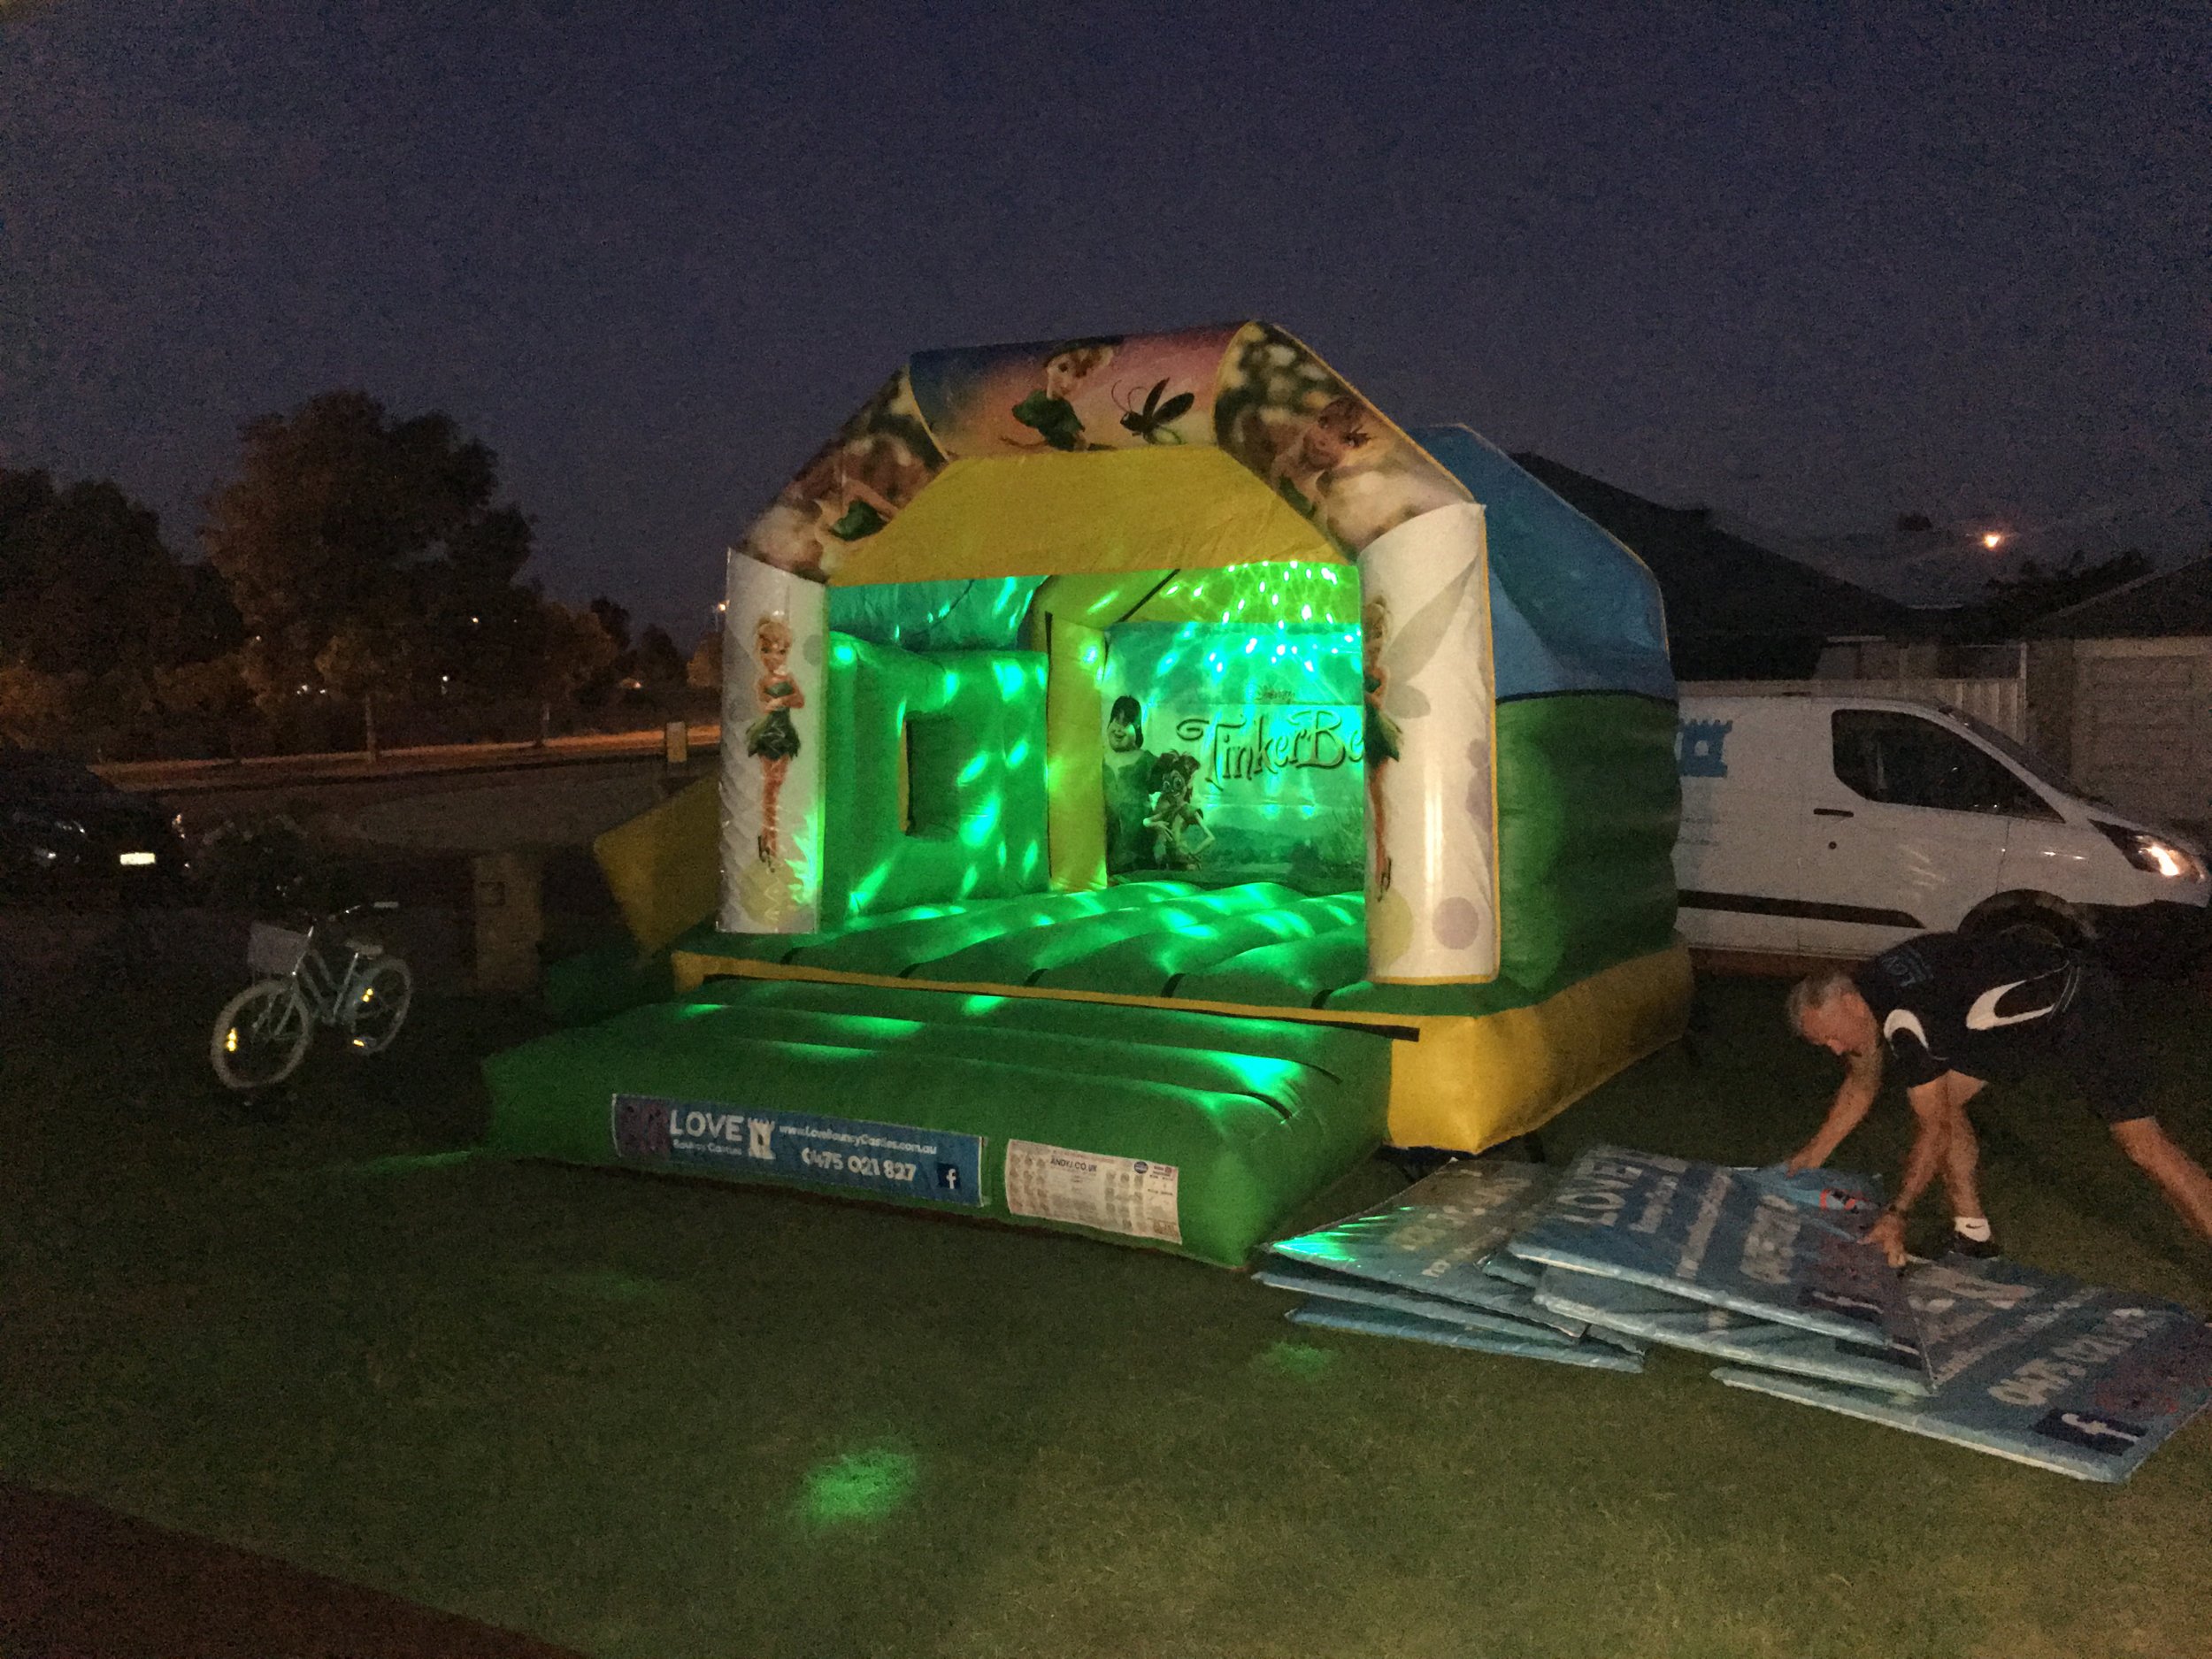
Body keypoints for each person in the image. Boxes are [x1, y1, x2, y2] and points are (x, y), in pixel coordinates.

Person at [1786, 929, 2212, 1267]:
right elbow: (1861, 1086)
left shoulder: (1905, 1020)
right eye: (1822, 1043)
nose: (1835, 1049)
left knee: (2144, 1146)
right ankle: (1973, 1235)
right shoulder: (1866, 995)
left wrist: (1897, 1214)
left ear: (1849, 1003)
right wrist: (1806, 1163)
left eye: (1830, 1035)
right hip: (2001, 1020)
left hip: (2073, 998)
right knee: (1944, 1102)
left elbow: (1933, 1133)